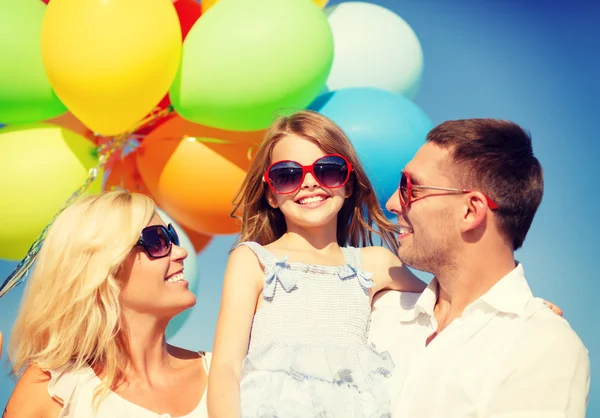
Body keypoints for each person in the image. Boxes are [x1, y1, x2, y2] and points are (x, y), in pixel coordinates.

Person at [207, 110, 426, 417]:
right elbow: (226, 368)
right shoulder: (253, 260)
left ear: (347, 185)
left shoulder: (376, 264)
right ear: (271, 194)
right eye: (287, 175)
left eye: (328, 170)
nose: (309, 183)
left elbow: (445, 309)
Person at [369, 118, 590, 417]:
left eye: (410, 187)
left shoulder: (542, 345)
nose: (393, 203)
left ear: (470, 210)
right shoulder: (377, 310)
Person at [4, 191, 210, 418]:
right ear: (104, 269)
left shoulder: (225, 373)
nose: (181, 253)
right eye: (157, 240)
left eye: (172, 239)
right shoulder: (52, 390)